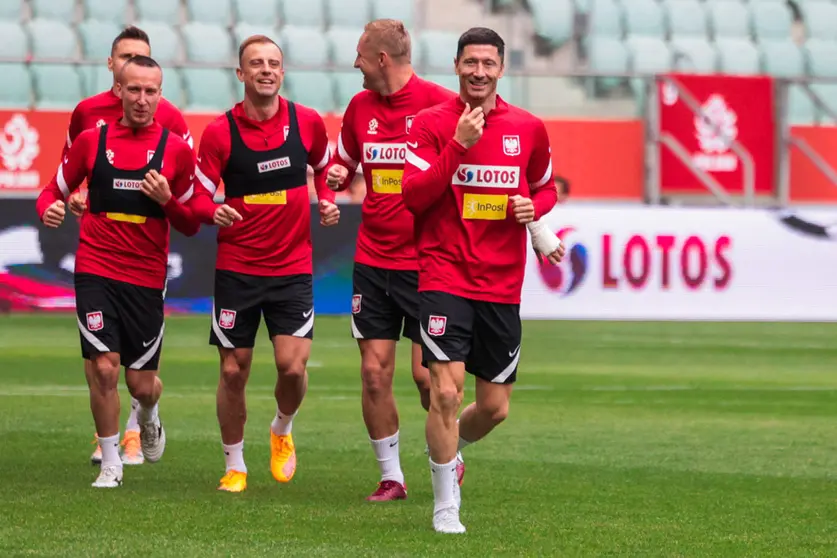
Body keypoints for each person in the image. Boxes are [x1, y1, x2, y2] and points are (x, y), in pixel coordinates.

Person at [401, 27, 565, 533]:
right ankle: (445, 503)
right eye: (470, 62)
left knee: (493, 408)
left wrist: (531, 209)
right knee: (445, 393)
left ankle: (452, 452)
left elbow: (546, 189)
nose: (479, 72)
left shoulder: (529, 128)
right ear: (456, 66)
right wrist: (457, 146)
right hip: (444, 274)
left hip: (501, 284)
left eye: (488, 64)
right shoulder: (429, 125)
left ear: (500, 68)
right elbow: (413, 195)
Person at [36, 55, 199, 488]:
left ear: (160, 95)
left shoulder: (176, 151)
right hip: (96, 268)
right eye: (134, 90)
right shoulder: (92, 141)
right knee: (105, 369)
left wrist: (167, 200)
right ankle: (111, 462)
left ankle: (148, 415)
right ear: (119, 91)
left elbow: (191, 222)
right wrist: (49, 208)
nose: (142, 99)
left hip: (145, 277)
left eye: (151, 91)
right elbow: (53, 190)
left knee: (141, 384)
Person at [188, 35, 339, 493]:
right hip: (237, 268)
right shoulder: (219, 133)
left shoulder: (307, 122)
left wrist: (327, 200)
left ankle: (282, 429)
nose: (266, 70)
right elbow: (195, 194)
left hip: (292, 267)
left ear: (283, 71)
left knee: (292, 368)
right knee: (233, 370)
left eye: (274, 63)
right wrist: (211, 210)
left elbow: (327, 167)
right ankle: (235, 465)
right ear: (241, 74)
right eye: (256, 63)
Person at [324, 19, 463, 502]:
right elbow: (341, 163)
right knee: (373, 371)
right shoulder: (359, 107)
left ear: (381, 59)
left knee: (428, 377)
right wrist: (339, 174)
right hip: (372, 258)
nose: (355, 66)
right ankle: (392, 477)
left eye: (360, 57)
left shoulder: (443, 105)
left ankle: (451, 451)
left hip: (428, 261)